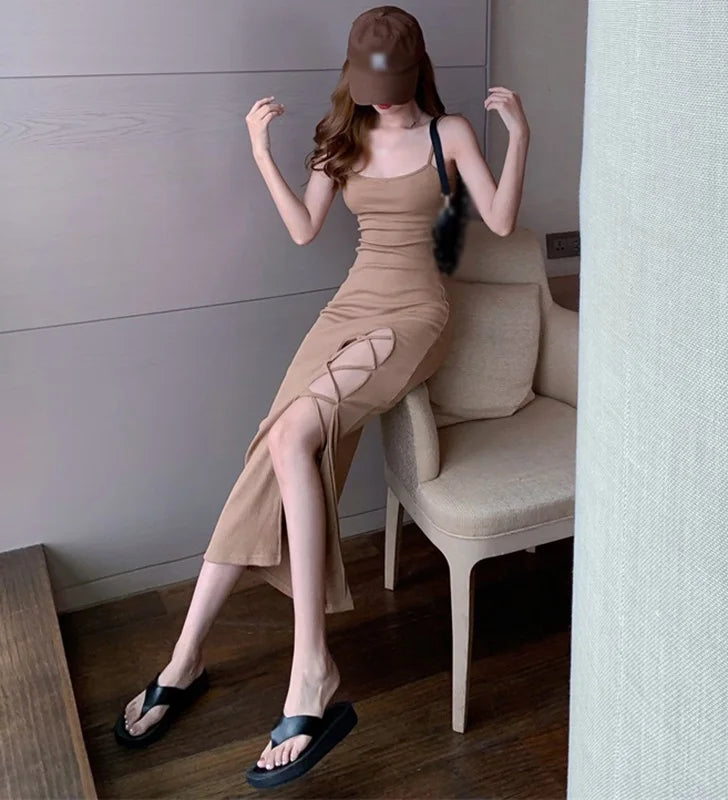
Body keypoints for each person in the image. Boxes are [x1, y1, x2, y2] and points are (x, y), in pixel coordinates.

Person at [113, 4, 530, 789]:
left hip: (414, 315)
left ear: (415, 70)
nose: (384, 98)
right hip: (347, 308)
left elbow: (502, 221)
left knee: (289, 436)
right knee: (269, 456)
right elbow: (307, 228)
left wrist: (521, 137)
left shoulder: (449, 134)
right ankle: (185, 657)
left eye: (393, 84)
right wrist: (260, 154)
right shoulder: (344, 137)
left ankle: (312, 670)